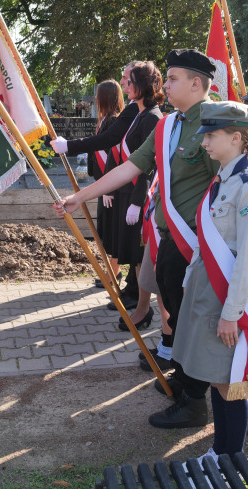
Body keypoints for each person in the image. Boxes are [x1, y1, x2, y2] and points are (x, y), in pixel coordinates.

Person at [54, 49, 219, 426]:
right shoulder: (169, 126)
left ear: (197, 84)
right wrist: (79, 197)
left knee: (194, 320)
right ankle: (185, 380)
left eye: (173, 78)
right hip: (170, 239)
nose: (166, 84)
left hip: (199, 243)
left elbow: (226, 187)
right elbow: (131, 166)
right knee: (176, 314)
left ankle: (195, 402)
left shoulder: (216, 123)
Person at [154, 102, 248, 462]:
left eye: (211, 135)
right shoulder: (221, 181)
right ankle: (220, 450)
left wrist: (232, 313)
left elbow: (247, 257)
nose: (204, 141)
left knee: (229, 381)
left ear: (236, 138)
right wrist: (191, 279)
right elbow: (204, 243)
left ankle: (229, 457)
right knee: (216, 378)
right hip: (206, 289)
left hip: (226, 295)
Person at [50, 61, 143, 308]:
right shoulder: (131, 111)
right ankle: (128, 286)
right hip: (117, 184)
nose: (123, 83)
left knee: (128, 241)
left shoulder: (143, 114)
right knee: (115, 236)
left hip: (130, 187)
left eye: (127, 79)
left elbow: (113, 145)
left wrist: (69, 146)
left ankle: (133, 291)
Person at [104, 62, 164, 290]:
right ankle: (136, 299)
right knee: (132, 251)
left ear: (142, 86)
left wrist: (137, 202)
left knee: (137, 252)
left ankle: (140, 303)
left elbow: (148, 165)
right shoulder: (140, 113)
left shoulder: (151, 117)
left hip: (138, 194)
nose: (125, 85)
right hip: (128, 190)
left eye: (130, 82)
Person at [88, 79, 125, 286]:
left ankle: (114, 274)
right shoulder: (104, 120)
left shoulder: (114, 121)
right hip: (104, 185)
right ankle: (112, 271)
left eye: (98, 94)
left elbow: (115, 155)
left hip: (112, 188)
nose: (95, 98)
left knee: (112, 231)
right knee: (105, 230)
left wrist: (108, 187)